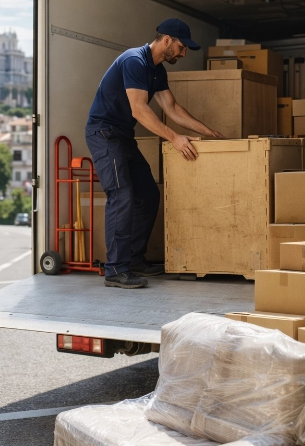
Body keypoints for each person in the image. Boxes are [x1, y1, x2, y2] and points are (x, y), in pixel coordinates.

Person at [85, 19, 225, 289]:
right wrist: (174, 138)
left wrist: (208, 132)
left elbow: (172, 108)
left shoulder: (157, 71)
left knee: (148, 194)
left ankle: (134, 259)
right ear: (168, 40)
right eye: (182, 48)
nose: (184, 54)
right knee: (121, 194)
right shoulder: (134, 61)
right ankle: (115, 269)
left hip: (122, 135)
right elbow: (139, 109)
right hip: (103, 134)